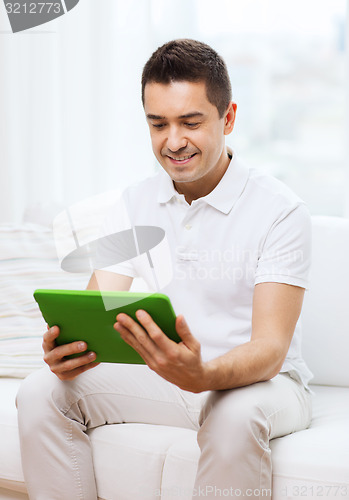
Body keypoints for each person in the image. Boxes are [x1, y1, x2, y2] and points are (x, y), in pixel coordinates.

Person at [16, 39, 312, 499]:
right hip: (171, 379)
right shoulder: (134, 202)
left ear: (228, 118)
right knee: (40, 393)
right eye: (158, 124)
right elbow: (97, 310)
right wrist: (71, 349)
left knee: (233, 416)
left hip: (264, 385)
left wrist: (205, 376)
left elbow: (271, 349)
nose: (173, 142)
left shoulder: (280, 210)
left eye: (190, 122)